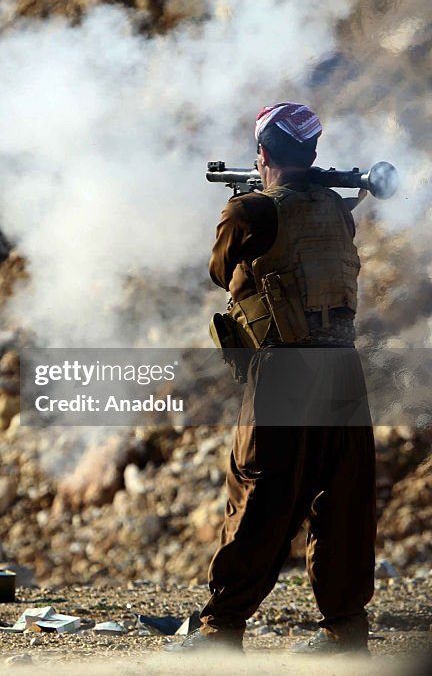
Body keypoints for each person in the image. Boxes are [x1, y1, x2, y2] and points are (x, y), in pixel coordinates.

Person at [170, 102, 376, 655]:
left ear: (262, 153)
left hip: (286, 368)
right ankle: (345, 631)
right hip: (343, 367)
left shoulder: (250, 213)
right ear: (311, 152)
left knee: (261, 493)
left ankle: (220, 631)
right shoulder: (338, 210)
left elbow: (222, 272)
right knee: (343, 498)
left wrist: (239, 204)